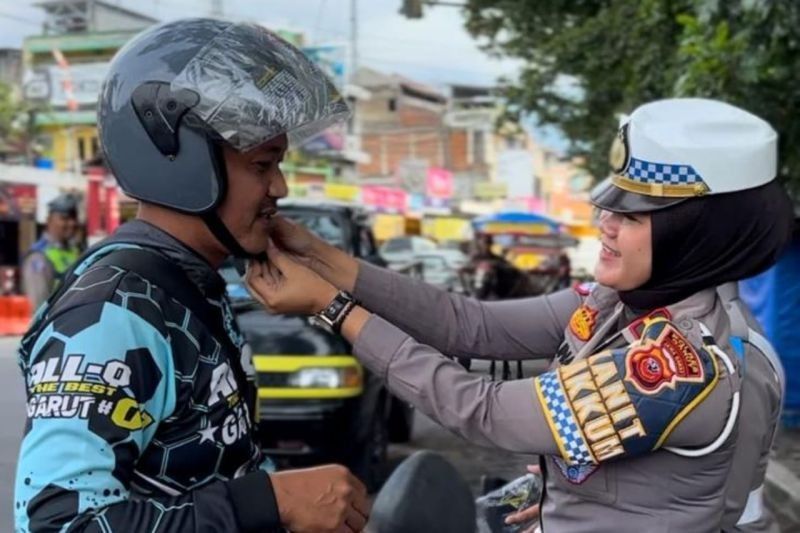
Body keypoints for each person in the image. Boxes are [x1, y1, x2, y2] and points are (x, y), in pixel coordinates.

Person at [246, 98, 794, 531]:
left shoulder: (680, 364)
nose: (604, 221)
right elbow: (471, 325)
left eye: (633, 213)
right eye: (612, 203)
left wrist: (332, 308)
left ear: (697, 234)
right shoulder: (621, 305)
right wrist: (319, 254)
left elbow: (482, 409)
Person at [14, 19, 368, 533]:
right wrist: (268, 501)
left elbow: (206, 466)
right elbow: (60, 522)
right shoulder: (113, 313)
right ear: (180, 162)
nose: (281, 188)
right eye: (263, 165)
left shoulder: (187, 281)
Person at [21, 193, 81, 310]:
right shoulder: (39, 257)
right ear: (49, 221)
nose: (72, 223)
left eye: (74, 218)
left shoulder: (75, 250)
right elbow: (39, 306)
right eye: (64, 218)